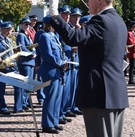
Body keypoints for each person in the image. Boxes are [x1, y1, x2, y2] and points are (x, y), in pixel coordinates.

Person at [49, 0, 129, 136]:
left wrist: (54, 13)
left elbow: (73, 37)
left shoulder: (101, 20)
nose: (87, 2)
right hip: (115, 93)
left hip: (99, 95)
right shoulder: (119, 21)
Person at [38, 15, 68, 134]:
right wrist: (61, 63)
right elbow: (48, 55)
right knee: (50, 98)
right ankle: (47, 124)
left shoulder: (54, 36)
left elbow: (60, 52)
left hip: (57, 71)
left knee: (57, 98)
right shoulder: (44, 36)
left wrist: (64, 61)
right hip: (50, 71)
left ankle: (54, 121)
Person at [0, 21, 22, 115]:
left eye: (10, 29)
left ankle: (18, 107)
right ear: (3, 30)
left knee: (18, 85)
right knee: (1, 88)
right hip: (3, 67)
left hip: (12, 66)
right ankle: (2, 108)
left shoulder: (9, 40)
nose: (10, 31)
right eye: (8, 29)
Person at [16, 17, 36, 111]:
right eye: (25, 24)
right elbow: (22, 48)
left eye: (28, 24)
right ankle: (23, 102)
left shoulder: (27, 35)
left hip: (30, 61)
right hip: (25, 61)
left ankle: (27, 101)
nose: (27, 26)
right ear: (21, 25)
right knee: (25, 83)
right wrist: (31, 54)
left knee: (29, 84)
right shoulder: (21, 35)